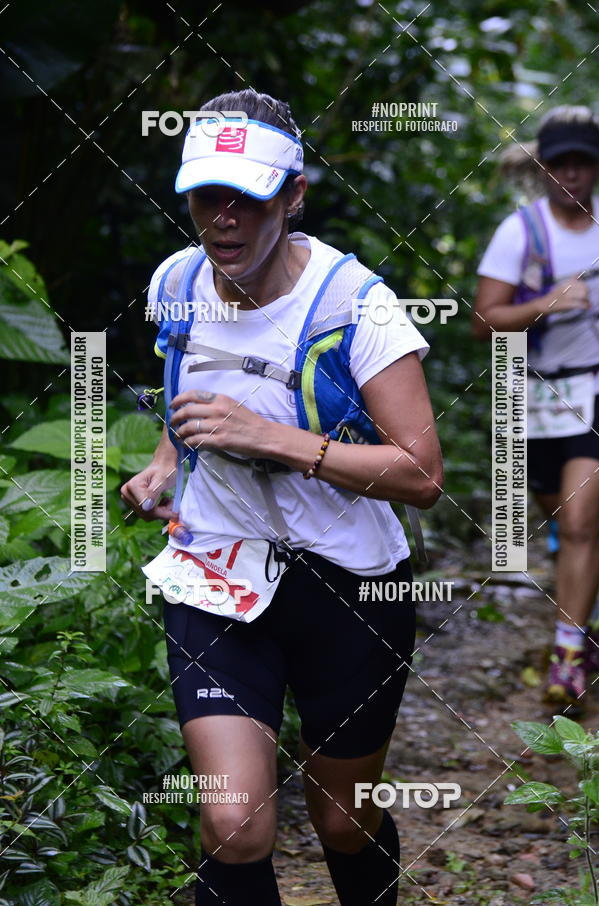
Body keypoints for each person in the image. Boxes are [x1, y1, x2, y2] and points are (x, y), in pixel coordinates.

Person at [121, 88, 442, 906]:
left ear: (294, 196)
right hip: (217, 572)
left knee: (341, 820)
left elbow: (423, 476)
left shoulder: (353, 305)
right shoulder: (176, 281)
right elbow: (187, 399)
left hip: (352, 584)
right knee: (234, 823)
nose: (223, 219)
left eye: (248, 199)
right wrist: (165, 466)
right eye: (205, 197)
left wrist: (276, 441)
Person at [473, 105, 599, 707]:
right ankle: (582, 628)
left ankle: (568, 654)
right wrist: (548, 302)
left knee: (579, 522)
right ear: (544, 170)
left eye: (583, 163)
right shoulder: (519, 233)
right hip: (532, 392)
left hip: (595, 389)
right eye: (561, 164)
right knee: (565, 521)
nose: (572, 175)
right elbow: (484, 321)